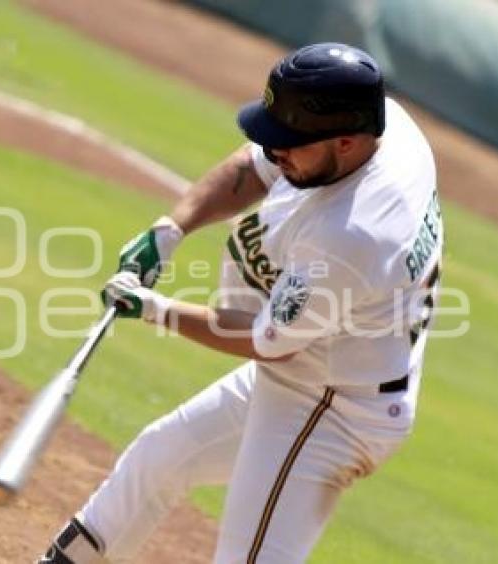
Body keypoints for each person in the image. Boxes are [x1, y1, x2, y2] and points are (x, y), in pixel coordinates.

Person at [39, 42, 443, 564]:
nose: (277, 153)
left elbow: (263, 340)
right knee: (161, 457)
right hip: (312, 368)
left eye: (289, 145)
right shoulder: (375, 126)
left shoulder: (354, 235)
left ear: (344, 142)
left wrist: (153, 308)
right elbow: (253, 168)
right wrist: (172, 227)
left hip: (333, 407)